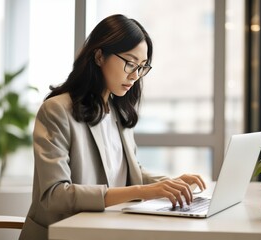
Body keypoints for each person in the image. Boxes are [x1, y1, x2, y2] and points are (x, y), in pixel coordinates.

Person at [19, 14, 206, 240]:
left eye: (142, 67)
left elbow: (127, 173)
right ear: (99, 56)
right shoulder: (56, 110)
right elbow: (55, 195)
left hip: (105, 229)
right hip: (63, 233)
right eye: (129, 63)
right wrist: (144, 191)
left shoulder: (119, 111)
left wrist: (169, 183)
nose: (135, 76)